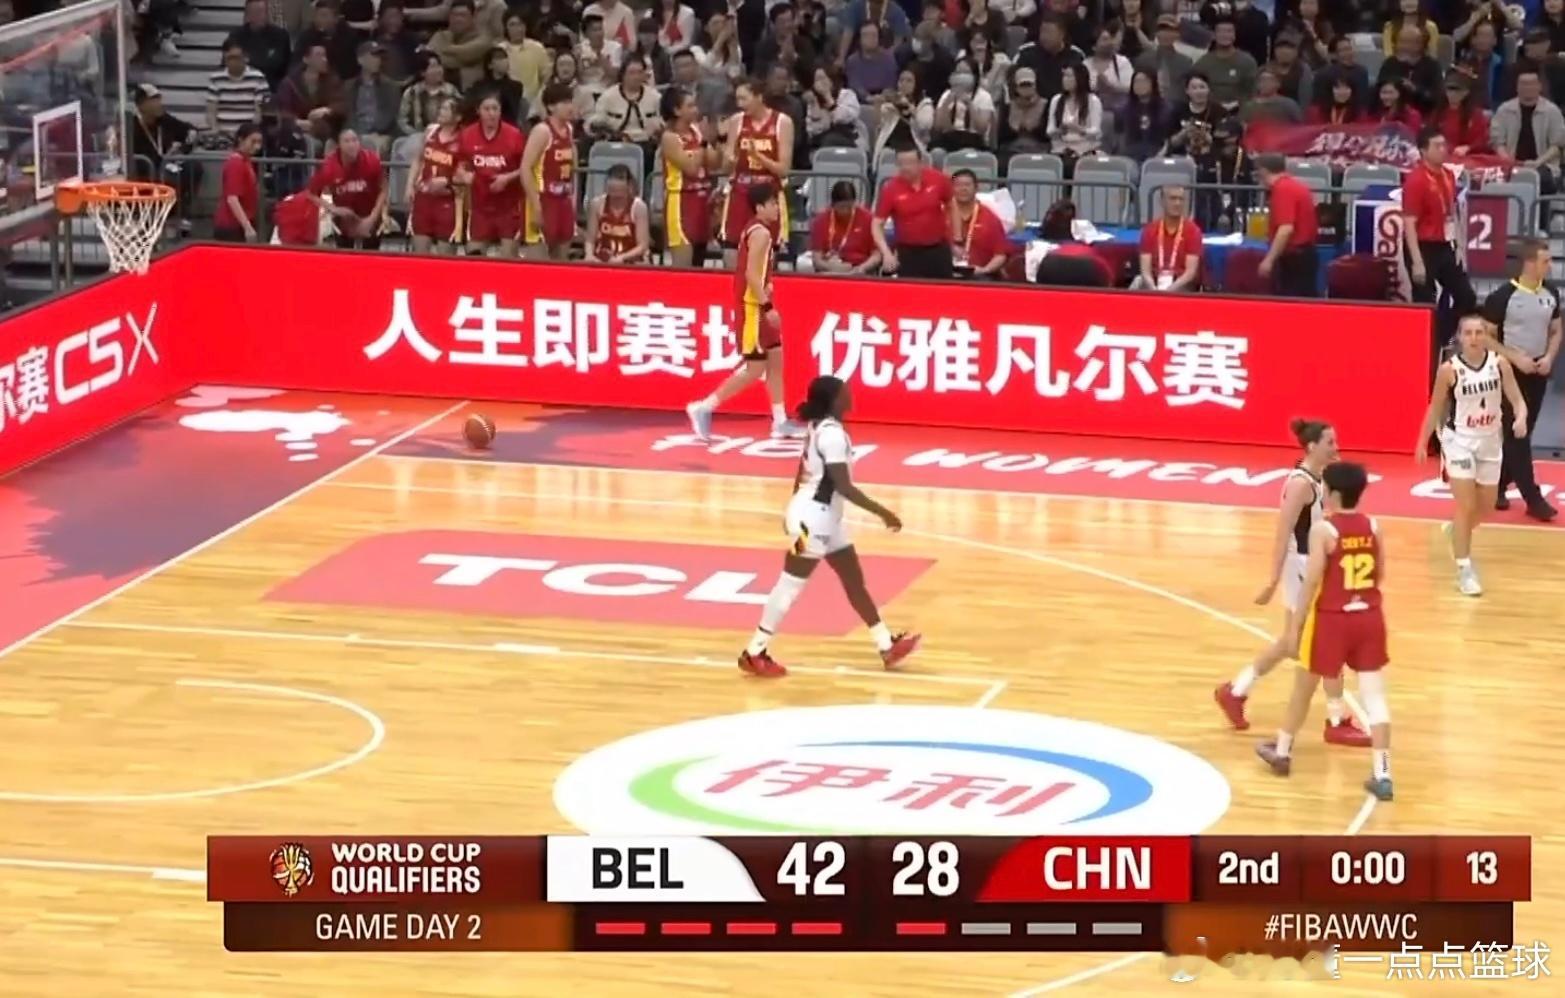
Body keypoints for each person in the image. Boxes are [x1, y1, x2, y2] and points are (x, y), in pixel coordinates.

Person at [737, 375, 922, 678]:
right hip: (812, 524)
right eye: (845, 391)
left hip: (824, 520)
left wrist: (792, 508)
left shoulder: (819, 427)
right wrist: (883, 513)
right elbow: (844, 486)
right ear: (835, 400)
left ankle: (885, 645)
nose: (851, 394)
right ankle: (755, 650)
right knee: (790, 585)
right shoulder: (832, 435)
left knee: (853, 580)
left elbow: (802, 471)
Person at [1217, 418, 1371, 746]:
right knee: (1327, 640)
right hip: (1300, 566)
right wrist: (1273, 579)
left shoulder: (1318, 478)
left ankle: (1236, 690)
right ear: (1312, 446)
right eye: (1330, 442)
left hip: (1307, 564)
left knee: (1292, 644)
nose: (1336, 447)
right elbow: (1283, 530)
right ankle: (1337, 720)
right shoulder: (1301, 484)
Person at [1255, 462, 1395, 802]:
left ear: (1331, 494)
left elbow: (1312, 580)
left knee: (1303, 688)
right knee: (1375, 697)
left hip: (1333, 620)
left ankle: (1283, 751)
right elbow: (1380, 575)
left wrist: (1297, 623)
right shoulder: (1374, 526)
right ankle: (1383, 773)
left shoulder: (1324, 530)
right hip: (1370, 617)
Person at [1414, 314, 1530, 596]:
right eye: (1468, 333)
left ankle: (1457, 531)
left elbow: (1517, 399)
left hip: (1490, 440)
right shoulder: (1449, 370)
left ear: (1486, 336)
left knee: (1486, 507)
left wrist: (1521, 418)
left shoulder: (1499, 364)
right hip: (1460, 441)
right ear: (1460, 337)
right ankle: (1464, 569)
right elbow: (1435, 407)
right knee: (1466, 505)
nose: (1474, 338)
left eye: (1479, 332)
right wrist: (1422, 441)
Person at [685, 184, 803, 442]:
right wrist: (767, 306)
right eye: (772, 204)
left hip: (758, 302)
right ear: (759, 207)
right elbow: (751, 275)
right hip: (752, 308)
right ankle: (704, 406)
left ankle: (780, 420)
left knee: (776, 358)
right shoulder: (760, 233)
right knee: (755, 367)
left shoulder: (756, 229)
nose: (776, 208)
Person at [1481, 239, 1561, 521]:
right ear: (1529, 263)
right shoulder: (1502, 296)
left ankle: (1498, 486)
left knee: (1521, 432)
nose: (1550, 265)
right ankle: (1533, 498)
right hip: (1509, 373)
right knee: (1518, 433)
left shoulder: (1551, 293)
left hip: (1538, 372)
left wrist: (1549, 357)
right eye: (1545, 261)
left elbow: (1556, 330)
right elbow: (1486, 337)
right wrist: (1514, 357)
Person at [1403, 127, 1477, 366]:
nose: (1443, 150)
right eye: (1437, 146)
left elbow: (1452, 213)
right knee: (1426, 304)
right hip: (1422, 246)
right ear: (1423, 151)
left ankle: (1445, 338)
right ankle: (1423, 355)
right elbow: (1409, 223)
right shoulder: (1415, 180)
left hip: (1445, 244)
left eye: (1444, 145)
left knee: (1466, 296)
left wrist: (1460, 247)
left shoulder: (1448, 175)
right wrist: (1417, 261)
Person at [719, 79, 793, 263]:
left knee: (766, 255)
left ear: (759, 97)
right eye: (737, 99)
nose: (740, 104)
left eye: (744, 99)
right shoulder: (737, 121)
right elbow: (726, 167)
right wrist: (729, 160)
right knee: (731, 252)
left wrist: (758, 156)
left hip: (768, 195)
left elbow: (784, 170)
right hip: (740, 192)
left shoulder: (782, 122)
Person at [455, 93, 526, 257]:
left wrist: (507, 178)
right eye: (486, 109)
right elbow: (459, 164)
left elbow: (527, 167)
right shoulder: (467, 135)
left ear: (501, 111)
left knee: (508, 258)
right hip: (480, 208)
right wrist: (464, 174)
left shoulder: (514, 135)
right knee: (474, 257)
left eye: (495, 109)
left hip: (509, 208)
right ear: (478, 111)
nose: (491, 113)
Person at [872, 146, 957, 279]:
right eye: (901, 163)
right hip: (908, 252)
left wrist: (956, 235)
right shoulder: (890, 189)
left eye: (910, 162)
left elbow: (952, 204)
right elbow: (877, 224)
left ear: (920, 163)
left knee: (944, 289)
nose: (905, 167)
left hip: (938, 249)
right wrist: (886, 253)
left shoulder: (938, 179)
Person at [660, 85, 720, 268]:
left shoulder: (697, 131)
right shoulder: (670, 138)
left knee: (699, 262)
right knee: (683, 266)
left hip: (701, 202)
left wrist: (715, 139)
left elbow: (714, 164)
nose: (696, 110)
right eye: (690, 106)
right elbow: (691, 169)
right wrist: (703, 143)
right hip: (680, 202)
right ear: (676, 110)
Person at [520, 83, 579, 261]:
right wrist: (536, 206)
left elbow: (573, 169)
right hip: (543, 199)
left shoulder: (569, 129)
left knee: (561, 261)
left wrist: (573, 201)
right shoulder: (542, 131)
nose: (570, 107)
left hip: (563, 200)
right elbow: (525, 168)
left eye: (571, 101)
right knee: (539, 262)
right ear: (551, 107)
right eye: (564, 102)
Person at [306, 128, 387, 250]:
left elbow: (384, 189)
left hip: (371, 214)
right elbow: (311, 194)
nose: (351, 145)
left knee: (371, 256)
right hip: (344, 220)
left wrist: (372, 218)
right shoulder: (329, 166)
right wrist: (333, 209)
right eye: (347, 141)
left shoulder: (372, 160)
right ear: (339, 145)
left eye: (354, 140)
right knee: (345, 255)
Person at [1254, 153, 1318, 298]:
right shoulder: (1294, 185)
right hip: (1303, 256)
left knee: (1292, 302)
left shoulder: (1283, 190)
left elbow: (1286, 229)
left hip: (1295, 259)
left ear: (1263, 171)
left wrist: (1269, 260)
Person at [406, 97, 463, 252]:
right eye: (441, 108)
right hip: (423, 198)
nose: (441, 111)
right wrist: (409, 186)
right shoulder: (431, 130)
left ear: (458, 117)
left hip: (448, 201)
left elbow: (465, 175)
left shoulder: (463, 139)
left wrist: (447, 181)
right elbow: (418, 159)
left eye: (446, 109)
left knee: (445, 256)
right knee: (419, 254)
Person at [1136, 184, 1201, 291]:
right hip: (1153, 283)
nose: (1177, 203)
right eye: (1172, 198)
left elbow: (1190, 273)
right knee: (1137, 283)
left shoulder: (1193, 231)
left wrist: (1168, 292)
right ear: (1162, 201)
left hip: (1181, 284)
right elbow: (1145, 271)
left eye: (1181, 199)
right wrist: (1154, 289)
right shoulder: (1149, 230)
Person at [807, 180, 879, 273]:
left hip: (859, 268)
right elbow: (817, 260)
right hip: (830, 268)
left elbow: (876, 255)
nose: (845, 211)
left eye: (849, 207)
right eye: (841, 207)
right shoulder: (820, 221)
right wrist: (832, 268)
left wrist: (862, 268)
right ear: (833, 205)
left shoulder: (868, 219)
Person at [949, 168, 1009, 279]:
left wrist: (985, 270)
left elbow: (1000, 255)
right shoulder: (940, 215)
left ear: (976, 188)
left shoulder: (989, 217)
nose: (963, 189)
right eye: (958, 185)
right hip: (946, 275)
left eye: (967, 185)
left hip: (979, 276)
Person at [586, 163, 651, 263]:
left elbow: (642, 246)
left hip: (631, 260)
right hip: (602, 259)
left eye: (620, 179)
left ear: (629, 185)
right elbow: (590, 240)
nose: (615, 184)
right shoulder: (597, 204)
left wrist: (622, 258)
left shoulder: (639, 207)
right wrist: (589, 255)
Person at [214, 122, 263, 243]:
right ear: (241, 140)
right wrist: (247, 227)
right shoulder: (236, 164)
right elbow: (232, 198)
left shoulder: (246, 161)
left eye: (259, 142)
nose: (257, 147)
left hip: (240, 222)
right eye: (253, 141)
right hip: (231, 226)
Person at [229, 0, 290, 90]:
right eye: (256, 12)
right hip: (243, 87)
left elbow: (287, 66)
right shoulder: (237, 36)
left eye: (263, 12)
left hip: (273, 88)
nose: (261, 16)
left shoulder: (280, 35)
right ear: (248, 15)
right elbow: (228, 64)